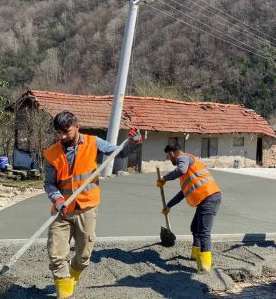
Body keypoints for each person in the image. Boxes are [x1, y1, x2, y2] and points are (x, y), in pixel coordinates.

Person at [43, 111, 140, 298]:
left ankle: (72, 275)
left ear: (77, 127)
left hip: (86, 207)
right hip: (62, 211)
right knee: (56, 256)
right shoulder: (51, 154)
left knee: (83, 256)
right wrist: (58, 199)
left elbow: (119, 153)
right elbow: (49, 183)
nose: (62, 136)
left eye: (66, 132)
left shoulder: (93, 142)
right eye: (59, 133)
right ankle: (64, 294)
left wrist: (134, 142)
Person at [158, 143, 221, 272]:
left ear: (172, 153)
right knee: (195, 228)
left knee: (204, 232)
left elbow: (181, 170)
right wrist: (169, 205)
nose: (169, 160)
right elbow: (183, 193)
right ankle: (196, 255)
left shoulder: (183, 158)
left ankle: (204, 266)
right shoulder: (186, 172)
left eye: (168, 156)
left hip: (210, 197)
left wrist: (164, 178)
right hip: (205, 199)